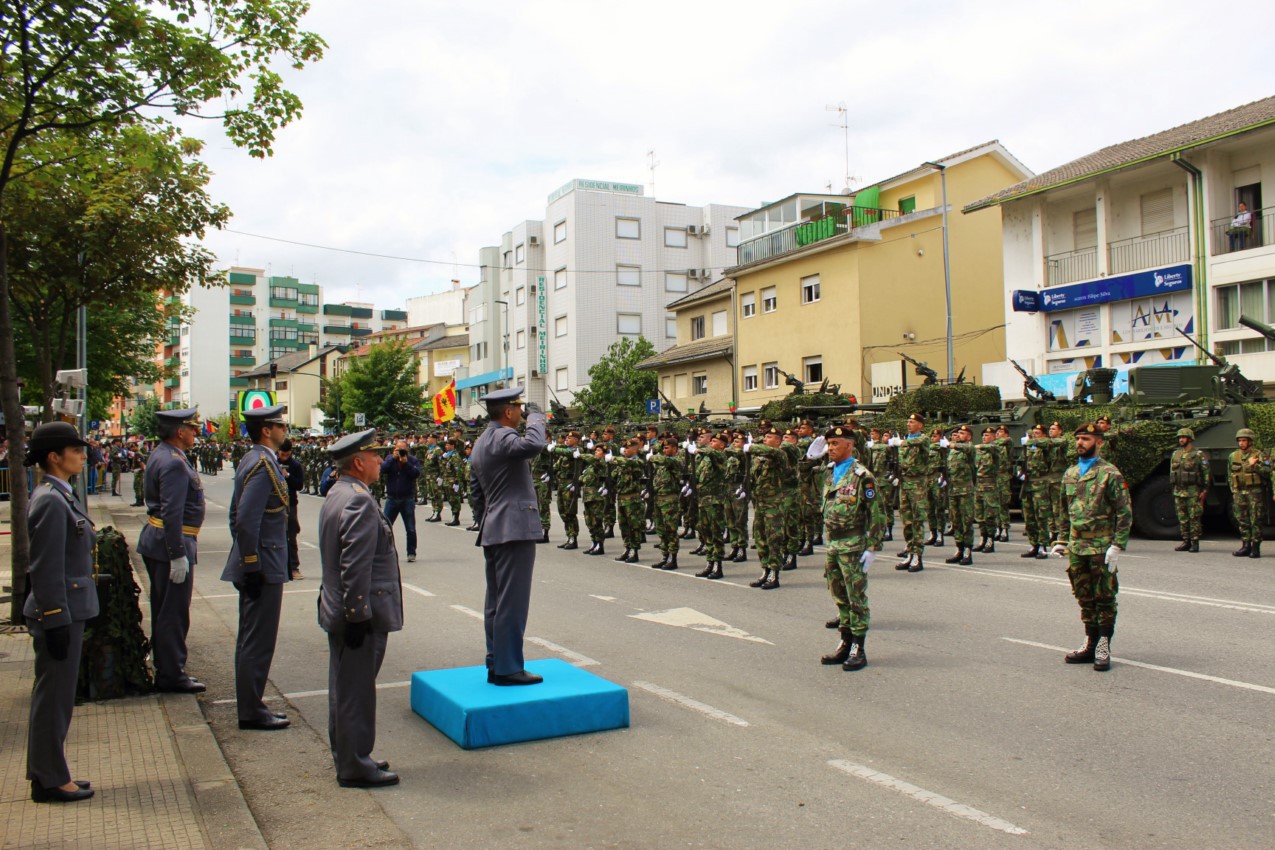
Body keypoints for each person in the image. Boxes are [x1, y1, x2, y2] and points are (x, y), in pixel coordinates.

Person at [318, 428, 403, 788]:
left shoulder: (338, 493)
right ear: (358, 461)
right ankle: (354, 764)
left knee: (344, 687)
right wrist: (357, 615)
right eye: (375, 455)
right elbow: (355, 564)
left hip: (340, 606)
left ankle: (350, 754)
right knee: (356, 691)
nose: (380, 461)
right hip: (359, 613)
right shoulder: (359, 501)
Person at [23, 421, 97, 803]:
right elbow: (46, 566)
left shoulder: (58, 494)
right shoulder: (51, 500)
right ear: (55, 457)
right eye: (76, 450)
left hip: (67, 608)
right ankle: (50, 780)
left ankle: (50, 771)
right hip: (60, 611)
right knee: (53, 699)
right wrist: (54, 617)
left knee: (58, 697)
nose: (84, 455)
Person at [469, 387, 548, 686]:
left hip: (494, 527)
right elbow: (534, 445)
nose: (522, 413)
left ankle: (496, 661)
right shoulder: (503, 436)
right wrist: (539, 417)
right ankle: (508, 667)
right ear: (508, 412)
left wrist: (487, 520)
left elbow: (476, 492)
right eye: (519, 408)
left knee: (496, 602)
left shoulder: (480, 442)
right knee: (512, 602)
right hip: (514, 528)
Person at [221, 404, 292, 730]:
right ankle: (251, 709)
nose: (284, 430)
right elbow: (246, 520)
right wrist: (251, 564)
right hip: (262, 563)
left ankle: (252, 704)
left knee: (253, 637)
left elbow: (238, 517)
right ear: (267, 429)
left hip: (261, 558)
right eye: (281, 425)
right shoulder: (262, 464)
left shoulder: (259, 460)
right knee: (257, 640)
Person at [136, 408, 207, 693]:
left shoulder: (162, 454)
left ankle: (167, 667)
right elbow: (172, 512)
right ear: (180, 431)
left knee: (166, 610)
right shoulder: (174, 462)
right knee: (173, 613)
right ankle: (171, 673)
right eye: (191, 428)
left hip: (159, 541)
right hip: (171, 545)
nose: (195, 433)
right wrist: (177, 553)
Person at [1050, 423, 1131, 672]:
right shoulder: (1070, 473)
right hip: (1077, 546)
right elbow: (1064, 511)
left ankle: (1103, 645)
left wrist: (1117, 545)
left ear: (1099, 442)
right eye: (1078, 439)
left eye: (1086, 439)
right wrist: (1062, 540)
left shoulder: (1110, 473)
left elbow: (1124, 511)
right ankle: (1090, 642)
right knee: (1084, 596)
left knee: (1104, 597)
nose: (1080, 443)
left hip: (1101, 546)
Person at [813, 425, 885, 671]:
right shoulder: (830, 472)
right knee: (839, 596)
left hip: (853, 545)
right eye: (829, 444)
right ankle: (845, 642)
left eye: (835, 444)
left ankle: (858, 647)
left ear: (850, 445)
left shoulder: (861, 475)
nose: (830, 448)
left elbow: (877, 513)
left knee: (856, 598)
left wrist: (873, 547)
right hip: (833, 544)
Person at [893, 413, 930, 572]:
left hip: (917, 484)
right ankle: (909, 551)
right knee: (907, 520)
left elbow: (917, 442)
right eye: (907, 421)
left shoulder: (922, 439)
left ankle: (917, 555)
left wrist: (901, 442)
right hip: (905, 483)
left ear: (920, 425)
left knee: (917, 520)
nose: (908, 424)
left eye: (912, 422)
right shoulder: (907, 440)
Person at [1228, 427, 1268, 558]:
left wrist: (1255, 465)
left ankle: (1255, 547)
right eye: (1239, 440)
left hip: (1254, 492)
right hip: (1239, 492)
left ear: (1250, 441)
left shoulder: (1259, 455)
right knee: (1242, 519)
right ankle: (1245, 546)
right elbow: (1230, 474)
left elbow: (1268, 472)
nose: (1241, 443)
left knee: (1255, 519)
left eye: (1244, 440)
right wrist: (1233, 490)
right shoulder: (1233, 456)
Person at [380, 439, 421, 563]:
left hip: (407, 498)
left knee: (410, 528)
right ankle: (384, 552)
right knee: (385, 527)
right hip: (392, 498)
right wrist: (393, 458)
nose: (400, 452)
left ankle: (411, 552)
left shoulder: (413, 460)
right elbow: (383, 469)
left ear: (407, 449)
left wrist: (406, 463)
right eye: (398, 449)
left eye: (402, 449)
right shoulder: (389, 458)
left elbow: (416, 474)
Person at [1170, 428, 1209, 553]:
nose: (1181, 439)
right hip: (1178, 491)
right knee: (1182, 517)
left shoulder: (1198, 454)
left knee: (1194, 517)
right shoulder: (1175, 454)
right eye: (1179, 437)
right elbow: (1172, 473)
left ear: (1190, 438)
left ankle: (1195, 542)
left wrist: (1204, 490)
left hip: (1193, 491)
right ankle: (1186, 540)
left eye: (1184, 437)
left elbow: (1206, 473)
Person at [278, 439, 305, 579]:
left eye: (287, 455)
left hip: (290, 503)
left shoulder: (294, 465)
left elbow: (299, 485)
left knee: (291, 535)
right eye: (282, 454)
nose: (284, 457)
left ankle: (294, 567)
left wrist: (287, 475)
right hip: (275, 503)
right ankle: (279, 567)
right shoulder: (273, 462)